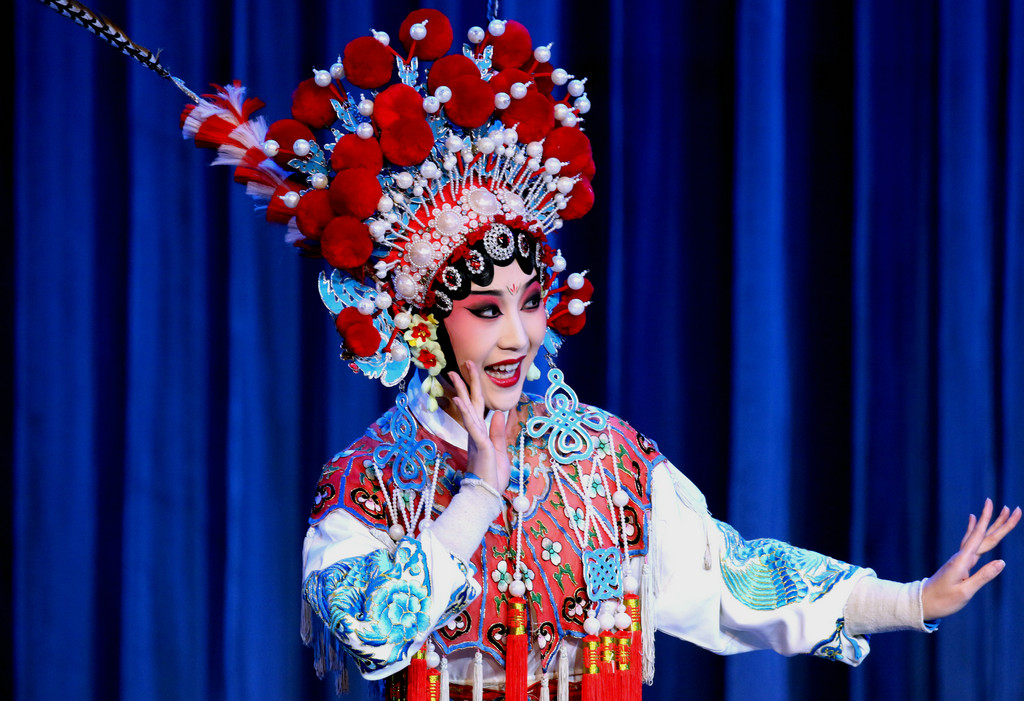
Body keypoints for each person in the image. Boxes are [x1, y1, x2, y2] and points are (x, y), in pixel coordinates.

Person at [176, 10, 1019, 700]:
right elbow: (369, 633)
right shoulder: (371, 480)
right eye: (486, 310)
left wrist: (913, 598)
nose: (518, 335)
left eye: (530, 300)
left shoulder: (605, 462)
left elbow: (735, 581)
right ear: (421, 316)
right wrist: (476, 495)